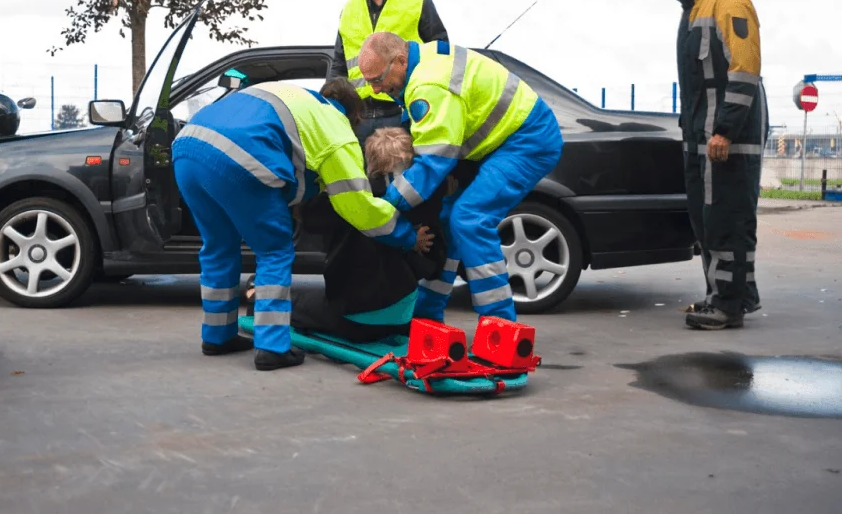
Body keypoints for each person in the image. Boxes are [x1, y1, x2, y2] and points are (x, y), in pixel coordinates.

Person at [171, 78, 435, 371]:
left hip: (187, 147)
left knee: (218, 248)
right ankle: (272, 347)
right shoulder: (336, 129)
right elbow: (359, 208)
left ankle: (217, 336)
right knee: (274, 252)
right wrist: (407, 236)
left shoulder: (299, 101)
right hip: (239, 155)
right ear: (353, 117)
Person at [357, 32, 565, 324]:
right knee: (449, 220)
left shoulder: (428, 85)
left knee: (470, 219)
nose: (376, 90)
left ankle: (500, 327)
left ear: (400, 61)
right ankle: (427, 316)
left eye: (377, 79)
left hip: (526, 140)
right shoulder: (420, 64)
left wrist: (388, 206)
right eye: (369, 82)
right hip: (498, 142)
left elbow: (434, 160)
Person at [656, 0, 769, 330]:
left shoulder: (727, 1)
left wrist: (725, 131)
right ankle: (727, 296)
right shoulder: (693, 7)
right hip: (702, 140)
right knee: (706, 220)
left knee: (726, 219)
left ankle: (727, 306)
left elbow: (744, 70)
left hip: (727, 141)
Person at [247, 127, 451, 343]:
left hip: (353, 320)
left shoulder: (351, 200)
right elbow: (433, 266)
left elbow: (309, 218)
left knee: (300, 303)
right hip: (401, 318)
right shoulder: (421, 206)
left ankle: (257, 296)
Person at [330, 0, 449, 145]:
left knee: (407, 176)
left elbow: (441, 54)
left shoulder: (418, 1)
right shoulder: (349, 9)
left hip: (405, 112)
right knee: (360, 179)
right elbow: (339, 65)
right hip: (360, 119)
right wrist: (330, 108)